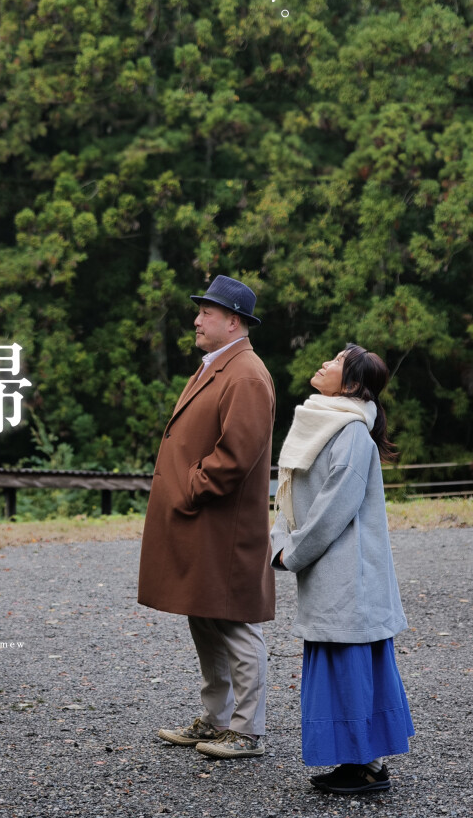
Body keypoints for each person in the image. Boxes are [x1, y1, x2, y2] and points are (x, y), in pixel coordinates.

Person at [138, 275, 276, 759]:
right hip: (204, 521)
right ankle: (217, 720)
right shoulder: (218, 366)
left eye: (207, 313)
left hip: (223, 525)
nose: (197, 320)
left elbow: (236, 456)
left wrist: (191, 486)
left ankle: (246, 730)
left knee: (235, 621)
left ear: (233, 322)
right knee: (204, 617)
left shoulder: (246, 374)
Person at [270, 343, 413, 795]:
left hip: (351, 574)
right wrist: (279, 540)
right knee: (337, 661)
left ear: (351, 384)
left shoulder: (350, 431)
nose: (324, 362)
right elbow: (288, 490)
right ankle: (358, 762)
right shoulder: (317, 420)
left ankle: (368, 766)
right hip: (328, 570)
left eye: (336, 361)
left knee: (351, 663)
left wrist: (290, 552)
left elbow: (335, 508)